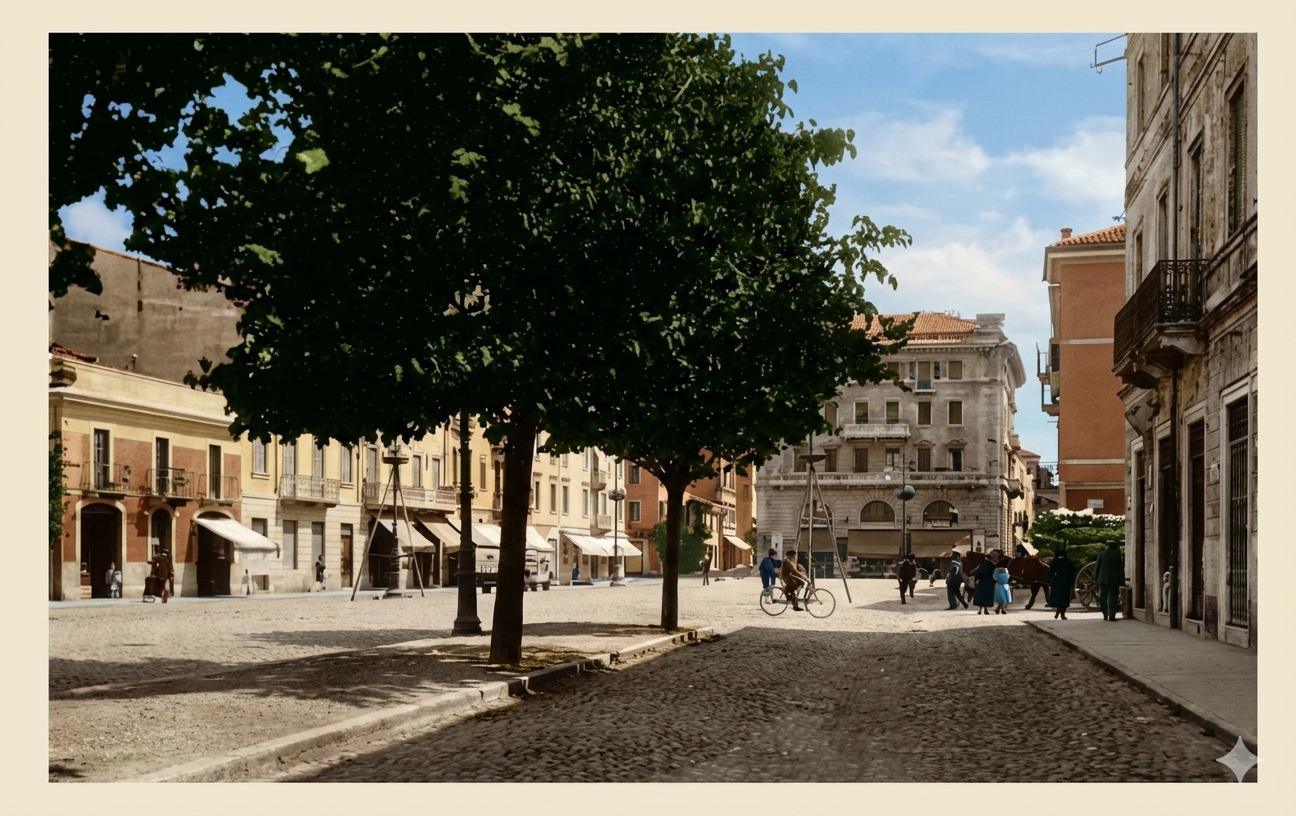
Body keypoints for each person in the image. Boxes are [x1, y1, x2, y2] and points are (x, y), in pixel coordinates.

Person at [1094, 540, 1125, 621]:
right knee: (1113, 598)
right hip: (1114, 580)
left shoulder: (1101, 554)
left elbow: (1097, 567)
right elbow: (1121, 569)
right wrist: (1122, 581)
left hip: (1103, 579)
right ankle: (1112, 616)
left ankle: (1105, 614)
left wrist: (1095, 578)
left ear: (1108, 546)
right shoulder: (1117, 555)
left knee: (1103, 597)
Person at [1046, 547, 1077, 620]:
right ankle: (1062, 614)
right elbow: (1073, 573)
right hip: (1066, 583)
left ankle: (1057, 612)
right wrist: (1072, 583)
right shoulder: (1069, 562)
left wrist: (1050, 578)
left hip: (1057, 583)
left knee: (1058, 599)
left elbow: (1050, 572)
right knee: (1064, 600)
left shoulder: (1054, 562)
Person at [972, 550, 997, 615]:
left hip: (982, 581)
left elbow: (978, 573)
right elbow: (994, 574)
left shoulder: (981, 565)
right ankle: (986, 609)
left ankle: (980, 610)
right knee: (987, 596)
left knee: (981, 595)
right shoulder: (992, 565)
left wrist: (976, 580)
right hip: (989, 582)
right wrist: (994, 581)